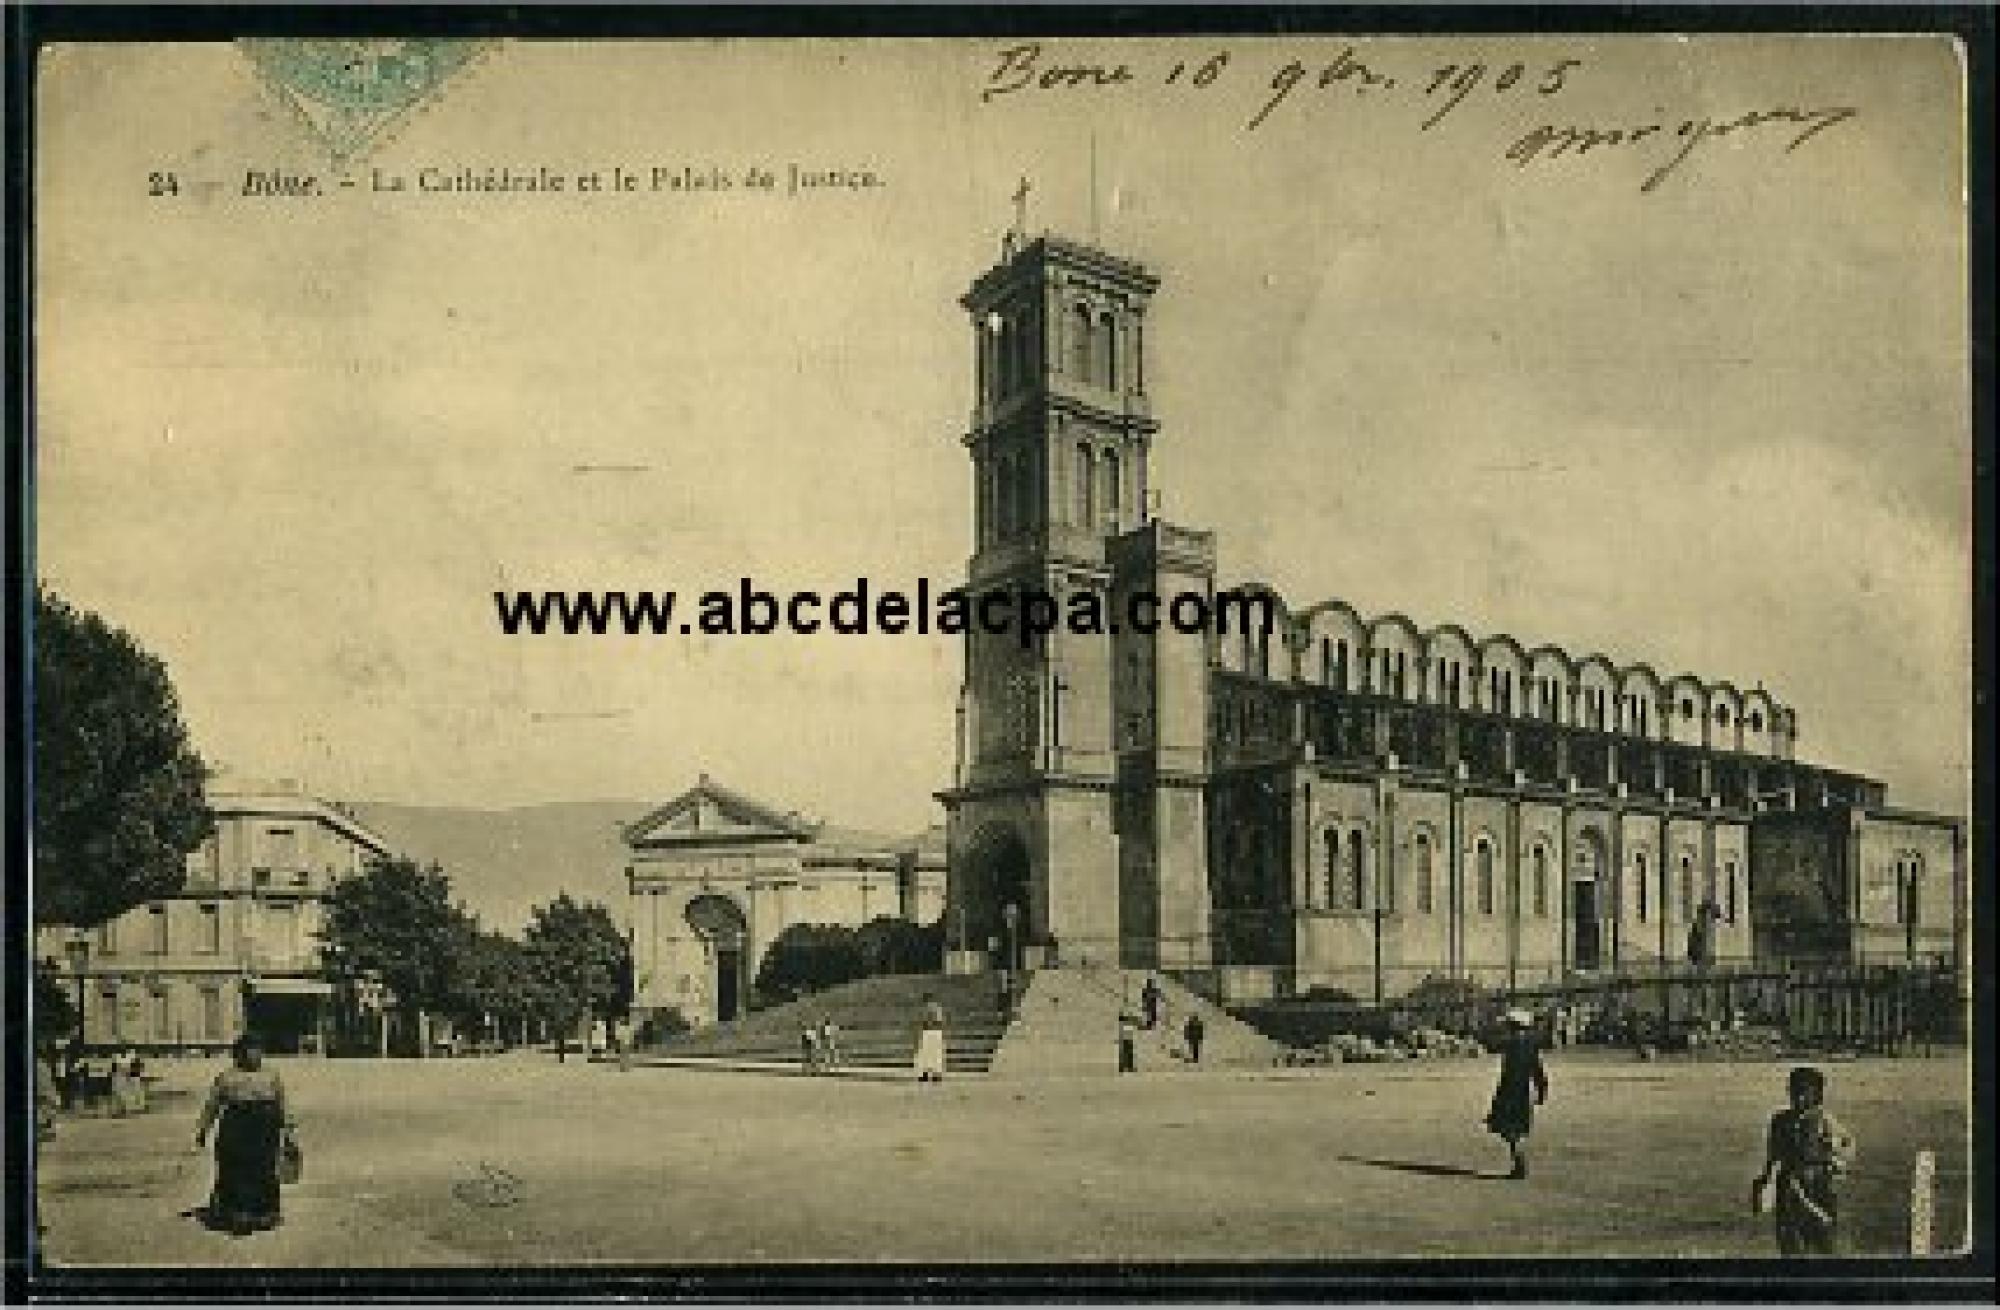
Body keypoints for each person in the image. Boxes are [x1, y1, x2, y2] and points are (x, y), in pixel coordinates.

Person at [193, 1033, 293, 1235]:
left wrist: (289, 1129)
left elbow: (282, 1104)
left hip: (265, 1129)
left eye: (258, 1050)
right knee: (234, 1168)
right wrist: (203, 1129)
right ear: (239, 1054)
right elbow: (212, 1105)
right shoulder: (227, 1077)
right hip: (236, 1127)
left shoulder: (271, 1076)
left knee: (263, 1168)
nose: (255, 1055)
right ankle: (237, 1215)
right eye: (250, 1050)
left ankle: (265, 1214)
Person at [1754, 1066, 1855, 1256]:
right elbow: (1773, 1154)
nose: (1798, 1098)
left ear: (1817, 1094)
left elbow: (1845, 1149)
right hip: (1787, 1186)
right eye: (1794, 1091)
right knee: (1790, 1242)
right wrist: (1765, 1180)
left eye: (1804, 1092)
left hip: (1817, 1185)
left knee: (1823, 1240)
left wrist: (1834, 1164)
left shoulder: (1825, 1121)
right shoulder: (1779, 1120)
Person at [1484, 1008, 1548, 1180]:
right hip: (1524, 1091)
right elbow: (1538, 1070)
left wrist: (1492, 1027)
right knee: (1517, 1126)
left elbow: (1490, 1044)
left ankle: (1519, 1159)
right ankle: (1518, 1158)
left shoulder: (1510, 1043)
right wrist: (1542, 1090)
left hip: (1508, 1089)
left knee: (1506, 1127)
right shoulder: (1531, 1045)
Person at [914, 995, 947, 1084]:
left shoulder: (929, 1009)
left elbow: (924, 1021)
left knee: (928, 1054)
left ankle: (928, 1074)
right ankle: (933, 1074)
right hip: (933, 1032)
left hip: (930, 1031)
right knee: (931, 1054)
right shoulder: (936, 1009)